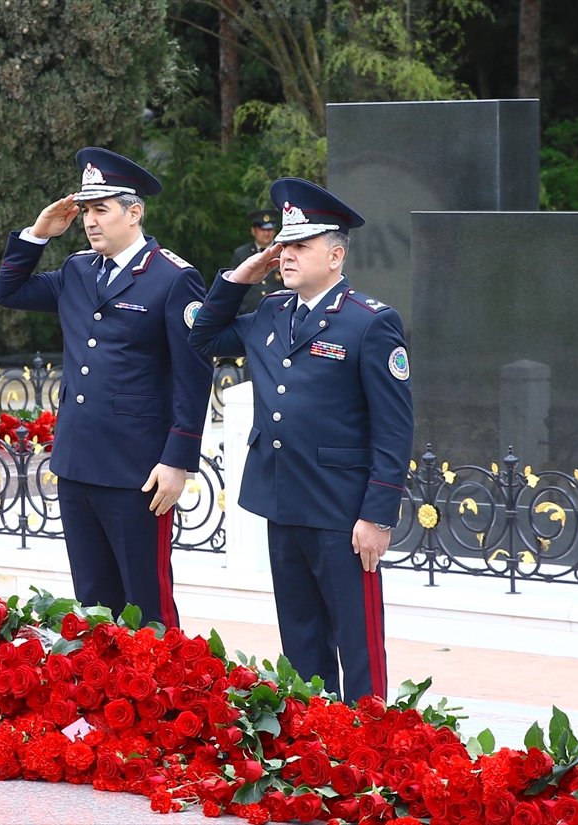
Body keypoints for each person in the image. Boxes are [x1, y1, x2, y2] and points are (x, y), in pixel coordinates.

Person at [188, 177, 414, 701]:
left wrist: (378, 515)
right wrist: (240, 276)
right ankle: (315, 745)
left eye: (300, 245)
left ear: (335, 255)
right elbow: (201, 336)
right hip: (284, 502)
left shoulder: (369, 323)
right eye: (283, 245)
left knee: (357, 643)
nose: (285, 254)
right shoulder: (271, 312)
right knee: (301, 641)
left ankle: (368, 748)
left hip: (342, 510)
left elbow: (394, 426)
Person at [0, 147, 213, 628]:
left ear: (134, 213)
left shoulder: (173, 279)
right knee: (93, 601)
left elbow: (193, 376)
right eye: (86, 211)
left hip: (138, 468)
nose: (90, 222)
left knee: (146, 602)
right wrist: (36, 235)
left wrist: (178, 460)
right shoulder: (77, 269)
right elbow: (6, 292)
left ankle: (161, 697)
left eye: (102, 209)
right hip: (77, 461)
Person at [230, 208, 283, 314]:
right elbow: (233, 286)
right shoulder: (241, 254)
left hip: (279, 312)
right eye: (262, 230)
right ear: (253, 230)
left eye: (270, 229)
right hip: (249, 314)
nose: (266, 233)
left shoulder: (284, 251)